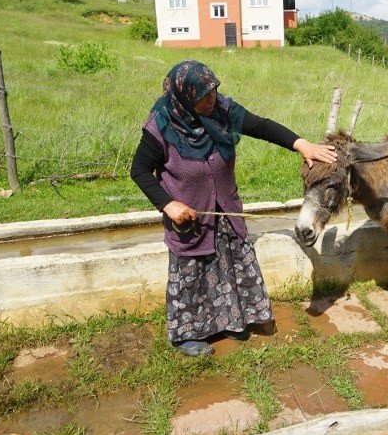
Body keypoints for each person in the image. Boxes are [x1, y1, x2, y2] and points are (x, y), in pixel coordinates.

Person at [130, 60, 337, 357]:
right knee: (193, 273)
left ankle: (232, 321)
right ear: (184, 96)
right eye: (202, 95)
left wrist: (300, 143)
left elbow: (261, 126)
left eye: (213, 90)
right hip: (190, 218)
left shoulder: (222, 111)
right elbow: (138, 171)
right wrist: (168, 204)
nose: (210, 99)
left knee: (232, 264)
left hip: (226, 210)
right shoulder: (161, 126)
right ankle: (186, 335)